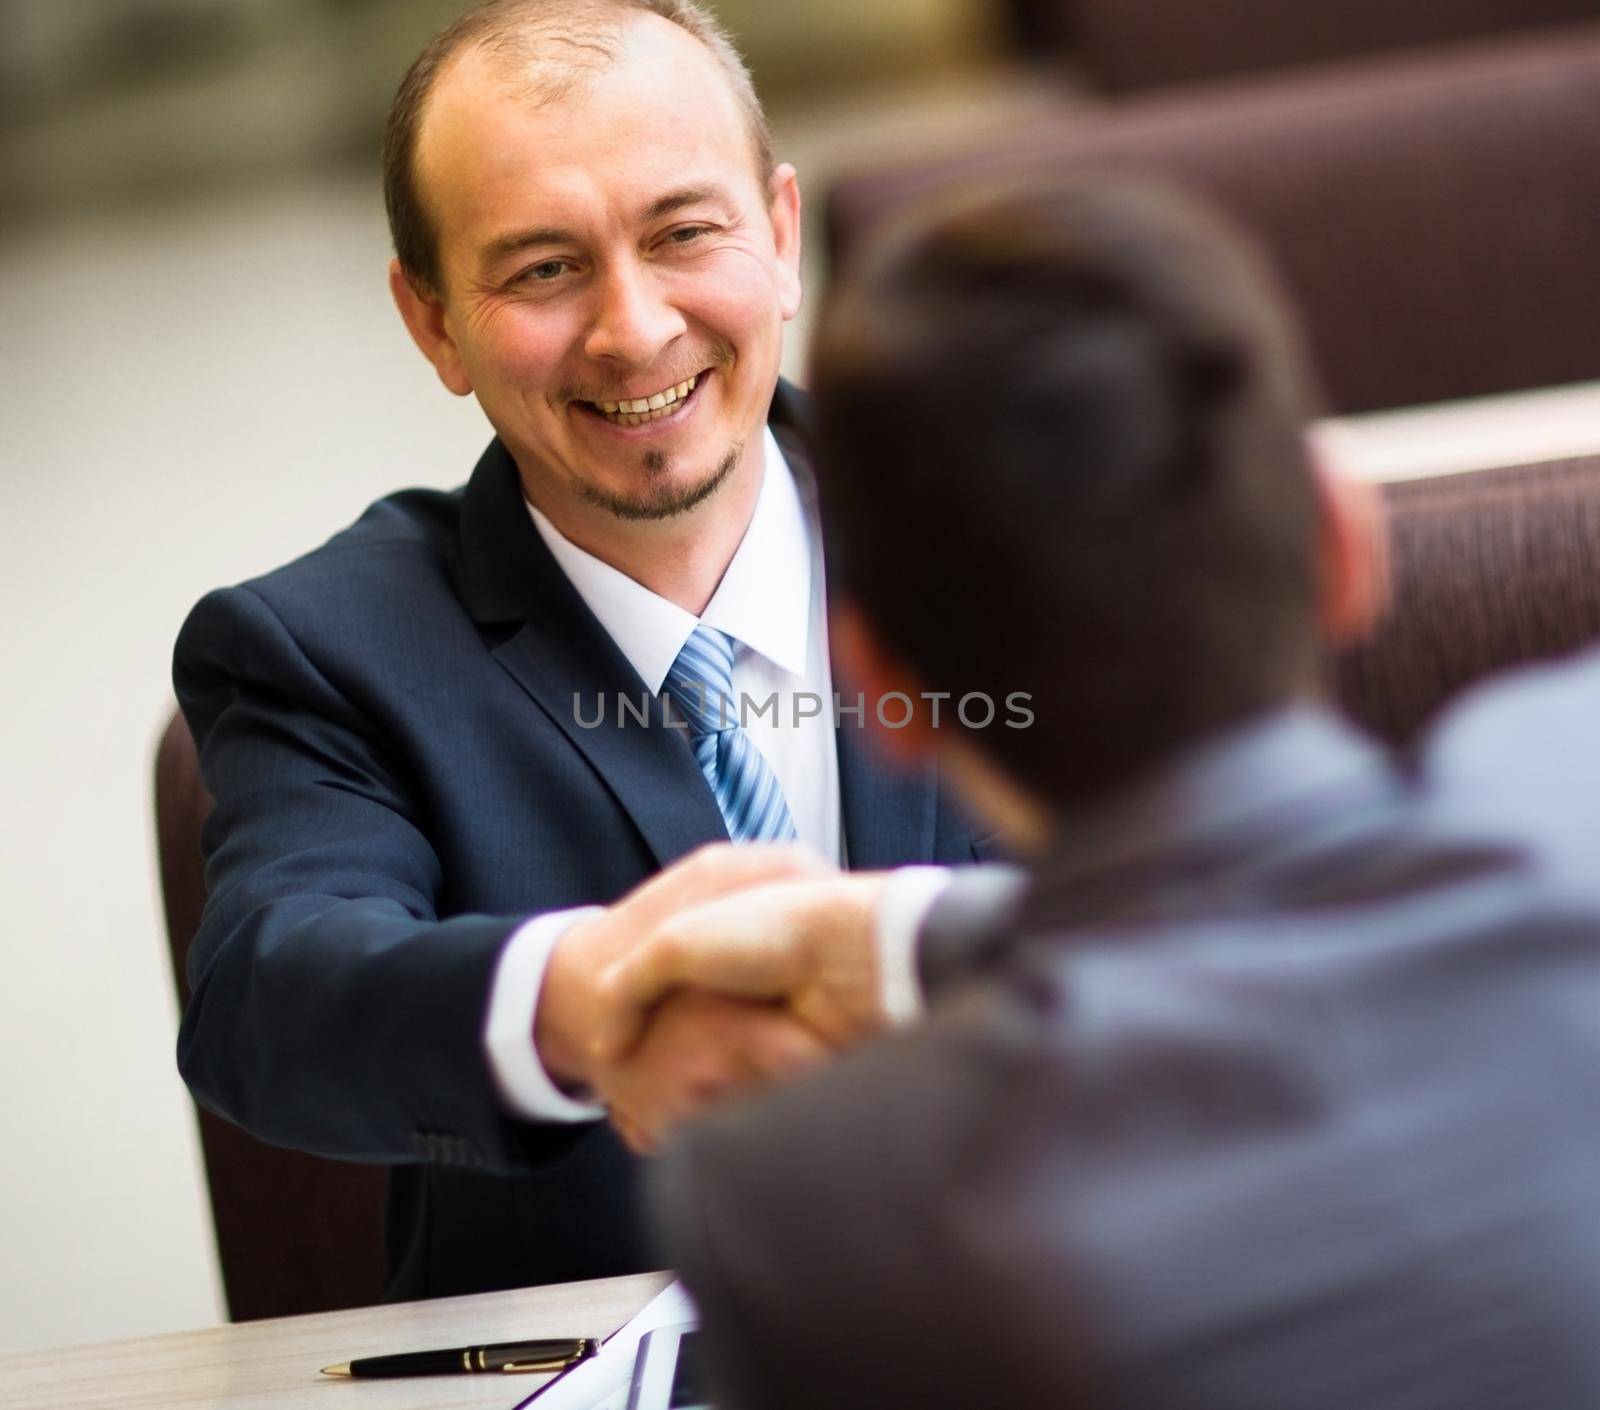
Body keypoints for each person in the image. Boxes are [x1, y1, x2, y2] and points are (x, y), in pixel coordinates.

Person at [593, 176, 1600, 1407]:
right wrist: (911, 944)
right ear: (1346, 541)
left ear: (882, 692)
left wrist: (919, 947)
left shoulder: (805, 1198)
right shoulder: (1569, 779)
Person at [172, 0, 982, 1302]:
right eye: (543, 268)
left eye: (683, 233)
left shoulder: (1014, 512)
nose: (634, 328)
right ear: (433, 322)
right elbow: (269, 998)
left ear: (778, 235)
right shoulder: (325, 650)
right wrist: (578, 996)